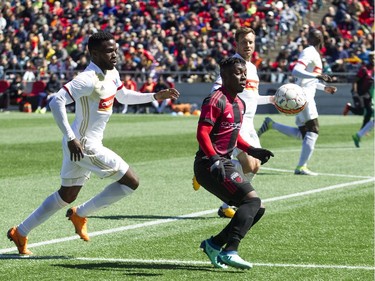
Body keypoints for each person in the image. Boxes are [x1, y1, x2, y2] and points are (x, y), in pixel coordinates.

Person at [7, 31, 180, 255]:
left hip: (80, 144)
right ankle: (80, 213)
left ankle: (20, 232)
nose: (115, 54)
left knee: (66, 195)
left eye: (116, 49)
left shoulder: (112, 72)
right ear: (95, 53)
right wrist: (71, 138)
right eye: (109, 51)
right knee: (131, 181)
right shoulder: (87, 78)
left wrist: (154, 96)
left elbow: (123, 96)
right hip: (84, 144)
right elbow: (56, 101)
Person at [194, 56, 274, 269]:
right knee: (252, 202)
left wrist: (252, 149)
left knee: (258, 208)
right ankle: (230, 250)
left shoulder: (239, 102)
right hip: (208, 165)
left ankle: (214, 244)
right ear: (225, 76)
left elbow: (233, 135)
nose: (243, 78)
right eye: (238, 74)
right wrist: (213, 160)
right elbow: (202, 133)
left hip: (223, 162)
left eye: (244, 74)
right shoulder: (215, 99)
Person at [193, 27, 274, 219]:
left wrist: (273, 99)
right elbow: (217, 92)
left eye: (251, 42)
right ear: (236, 43)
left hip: (249, 123)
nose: (248, 45)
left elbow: (253, 98)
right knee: (249, 163)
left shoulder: (252, 68)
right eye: (244, 41)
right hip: (235, 123)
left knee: (255, 166)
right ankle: (208, 173)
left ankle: (224, 204)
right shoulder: (232, 67)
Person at [257, 28, 337, 176]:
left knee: (303, 134)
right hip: (304, 97)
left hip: (301, 96)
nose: (315, 36)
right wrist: (318, 75)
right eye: (312, 35)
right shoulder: (310, 51)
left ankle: (271, 124)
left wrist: (324, 87)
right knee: (314, 130)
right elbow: (296, 71)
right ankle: (301, 167)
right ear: (313, 39)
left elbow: (307, 79)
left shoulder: (314, 53)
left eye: (316, 34)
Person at [343, 52, 374, 130]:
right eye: (372, 58)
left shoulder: (373, 69)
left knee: (369, 111)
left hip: (366, 93)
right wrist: (355, 92)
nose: (373, 60)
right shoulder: (364, 69)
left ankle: (363, 129)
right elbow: (355, 80)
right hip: (358, 92)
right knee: (360, 112)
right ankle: (349, 107)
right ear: (369, 59)